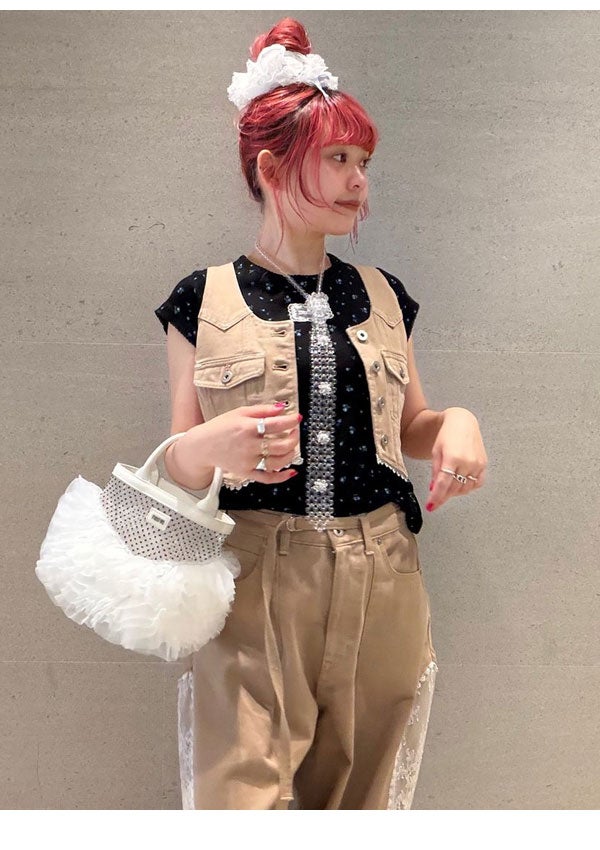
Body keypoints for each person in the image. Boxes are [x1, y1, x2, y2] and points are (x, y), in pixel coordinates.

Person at [154, 17, 487, 811]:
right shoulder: (202, 299)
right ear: (270, 167)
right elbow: (176, 459)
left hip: (383, 575)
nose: (358, 180)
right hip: (253, 577)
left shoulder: (383, 295)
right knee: (241, 805)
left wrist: (457, 423)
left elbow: (410, 425)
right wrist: (211, 444)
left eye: (362, 162)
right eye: (337, 158)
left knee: (362, 805)